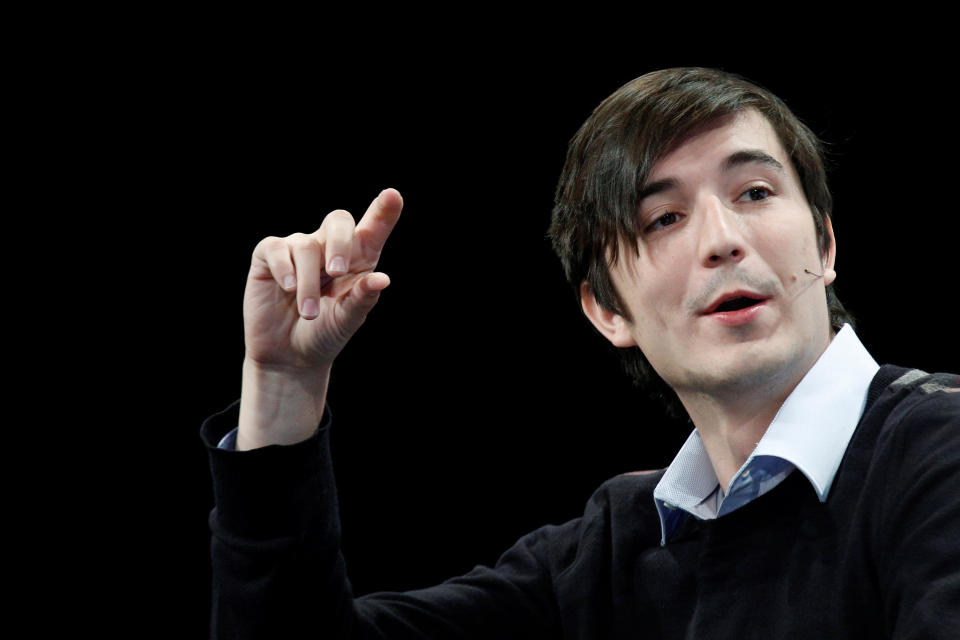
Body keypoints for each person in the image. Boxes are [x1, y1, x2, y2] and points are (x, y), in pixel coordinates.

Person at [201, 67, 959, 638]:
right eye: (663, 218)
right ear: (606, 310)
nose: (723, 239)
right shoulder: (614, 549)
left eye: (755, 193)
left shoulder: (938, 453)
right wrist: (285, 381)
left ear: (824, 244)